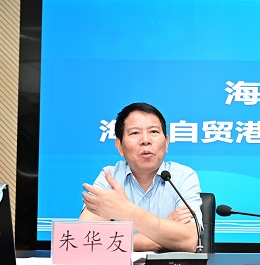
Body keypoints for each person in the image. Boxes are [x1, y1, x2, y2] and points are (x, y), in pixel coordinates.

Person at [80, 102, 203, 253]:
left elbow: (189, 241)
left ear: (166, 143)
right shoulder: (110, 177)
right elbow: (85, 239)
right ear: (119, 146)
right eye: (135, 133)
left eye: (153, 131)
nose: (145, 140)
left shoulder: (183, 177)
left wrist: (126, 211)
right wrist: (165, 232)